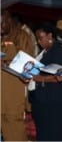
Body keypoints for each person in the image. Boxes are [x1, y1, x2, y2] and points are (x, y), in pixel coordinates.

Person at [26, 22, 62, 141]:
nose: (38, 42)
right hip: (41, 103)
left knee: (55, 135)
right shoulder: (43, 53)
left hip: (53, 105)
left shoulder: (59, 52)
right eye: (37, 39)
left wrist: (41, 78)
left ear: (50, 36)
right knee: (44, 135)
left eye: (40, 38)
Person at [1, 9, 34, 141]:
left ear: (9, 20)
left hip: (13, 97)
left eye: (2, 24)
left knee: (15, 135)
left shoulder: (21, 36)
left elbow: (29, 65)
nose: (0, 28)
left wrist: (5, 62)